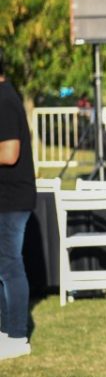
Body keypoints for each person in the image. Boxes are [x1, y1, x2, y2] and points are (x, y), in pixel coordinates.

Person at [0, 55, 35, 361]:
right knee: (3, 266)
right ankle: (5, 332)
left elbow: (10, 153)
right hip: (7, 199)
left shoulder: (5, 101)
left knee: (10, 265)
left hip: (12, 200)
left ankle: (17, 337)